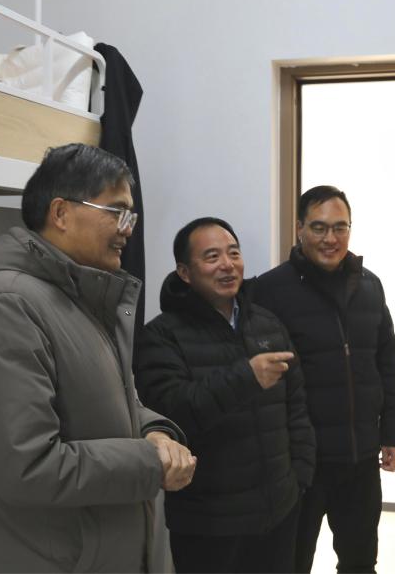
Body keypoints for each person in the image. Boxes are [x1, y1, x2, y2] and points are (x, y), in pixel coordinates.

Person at [0, 143, 196, 573]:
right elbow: (27, 464)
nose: (127, 229)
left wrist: (154, 432)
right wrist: (148, 462)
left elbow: (107, 403)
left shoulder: (80, 295)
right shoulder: (7, 305)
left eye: (131, 216)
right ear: (61, 213)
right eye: (116, 212)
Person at [133, 217, 316, 573]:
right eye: (212, 256)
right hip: (208, 524)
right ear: (185, 272)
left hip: (278, 512)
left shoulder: (267, 324)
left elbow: (296, 406)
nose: (228, 264)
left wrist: (299, 479)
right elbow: (172, 412)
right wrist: (245, 377)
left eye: (234, 253)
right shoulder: (161, 336)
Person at [252, 186, 395, 574]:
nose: (330, 238)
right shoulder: (269, 291)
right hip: (301, 463)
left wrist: (393, 433)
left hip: (359, 458)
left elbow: (388, 362)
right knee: (290, 563)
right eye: (319, 228)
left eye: (340, 227)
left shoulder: (369, 286)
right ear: (299, 228)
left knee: (360, 563)